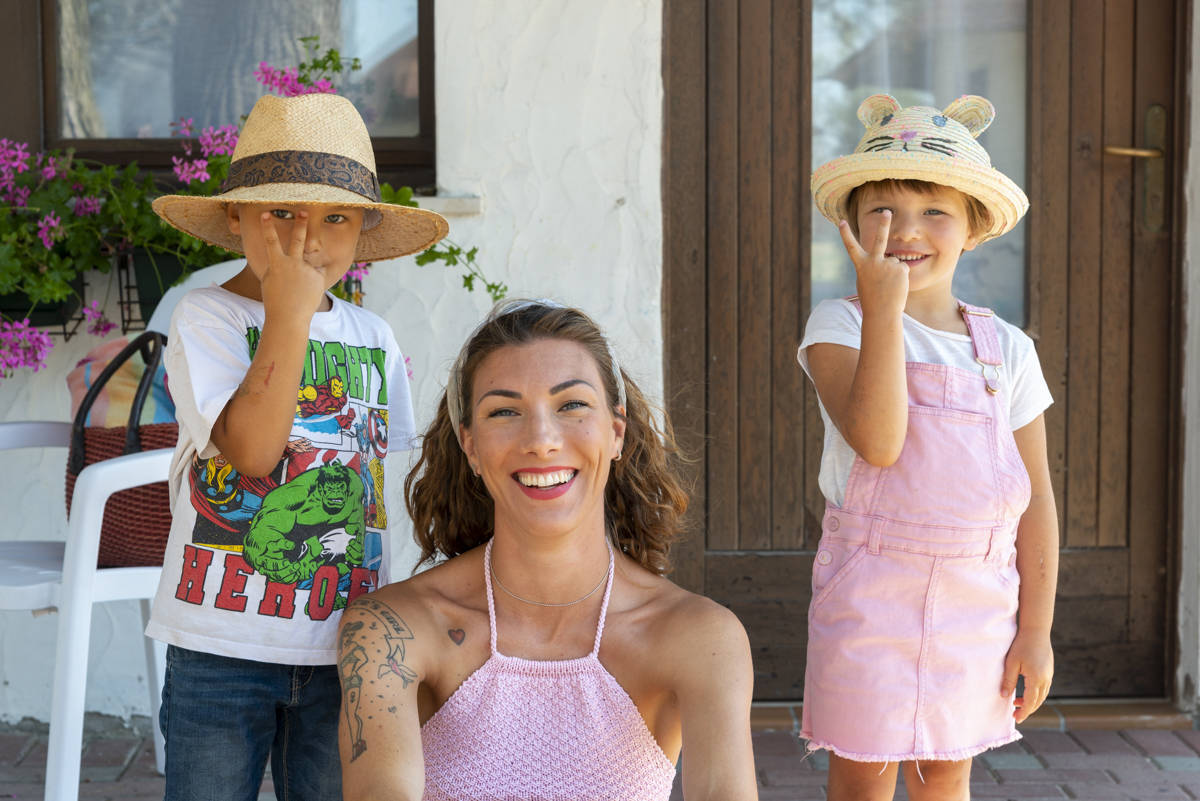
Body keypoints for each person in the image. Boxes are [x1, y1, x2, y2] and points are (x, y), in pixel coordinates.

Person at [144, 92, 448, 801]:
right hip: (220, 645)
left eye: (335, 216)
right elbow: (251, 454)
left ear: (363, 229)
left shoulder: (374, 337)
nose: (308, 236)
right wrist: (289, 313)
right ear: (235, 216)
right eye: (282, 211)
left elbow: (381, 483)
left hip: (346, 647)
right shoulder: (208, 317)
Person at [337, 300, 758, 800]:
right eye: (504, 411)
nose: (541, 440)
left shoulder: (701, 636)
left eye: (572, 405)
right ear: (470, 446)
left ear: (616, 431)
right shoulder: (390, 629)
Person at [800, 94, 1058, 800]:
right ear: (853, 225)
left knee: (945, 774)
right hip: (872, 595)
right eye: (883, 210)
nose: (907, 230)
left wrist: (1035, 629)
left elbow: (1035, 498)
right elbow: (879, 443)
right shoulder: (840, 326)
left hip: (979, 604)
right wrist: (884, 308)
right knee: (863, 776)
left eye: (935, 211)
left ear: (973, 228)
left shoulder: (1008, 350)